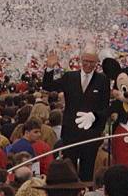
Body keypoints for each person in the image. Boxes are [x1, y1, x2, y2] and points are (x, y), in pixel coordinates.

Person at [42, 45, 110, 182]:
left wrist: (96, 121)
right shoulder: (69, 77)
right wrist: (49, 68)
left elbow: (105, 107)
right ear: (80, 60)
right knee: (69, 170)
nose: (88, 65)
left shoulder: (103, 80)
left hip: (91, 134)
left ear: (97, 63)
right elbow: (48, 86)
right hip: (70, 132)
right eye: (85, 61)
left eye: (92, 62)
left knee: (87, 171)